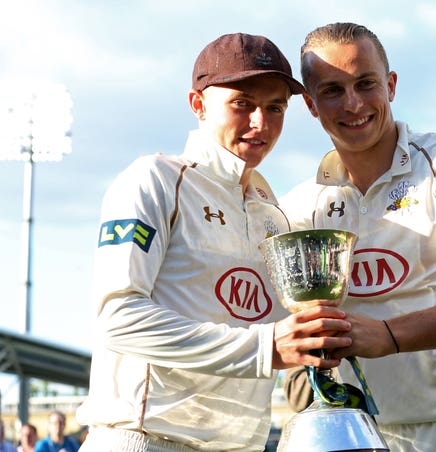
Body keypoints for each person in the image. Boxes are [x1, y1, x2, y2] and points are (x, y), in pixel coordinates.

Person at [75, 32, 352, 451]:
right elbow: (116, 317)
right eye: (242, 103)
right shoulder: (155, 179)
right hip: (145, 439)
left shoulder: (273, 214)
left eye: (275, 107)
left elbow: (283, 335)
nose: (261, 122)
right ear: (198, 104)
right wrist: (265, 347)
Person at [281, 22, 436, 451]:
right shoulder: (300, 207)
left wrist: (387, 335)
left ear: (391, 85)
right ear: (310, 104)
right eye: (333, 90)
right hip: (364, 437)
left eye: (365, 83)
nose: (353, 103)